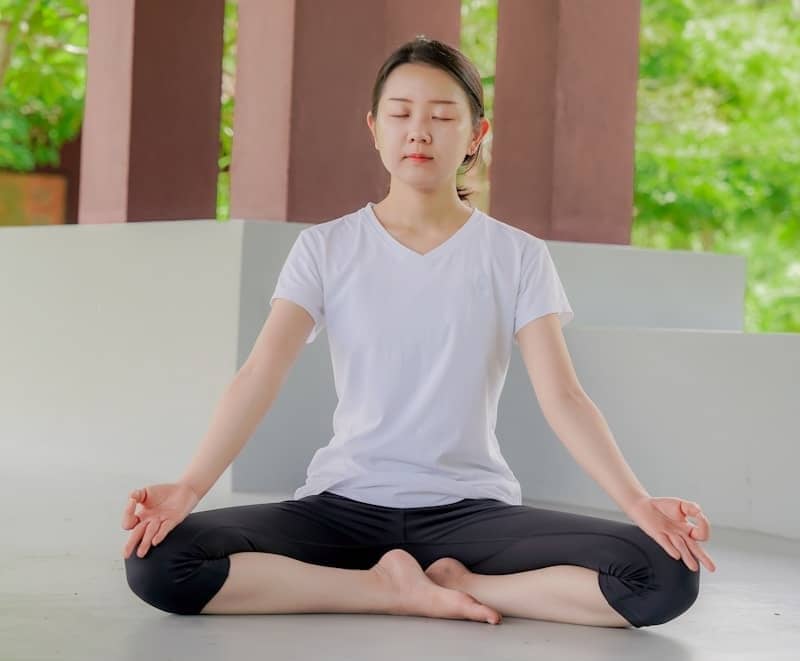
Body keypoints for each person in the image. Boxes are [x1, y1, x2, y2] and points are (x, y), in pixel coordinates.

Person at [122, 36, 716, 627]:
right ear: (375, 128)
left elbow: (564, 397)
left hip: (472, 515)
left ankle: (463, 582)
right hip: (342, 508)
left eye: (441, 116)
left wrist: (639, 504)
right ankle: (387, 589)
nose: (419, 132)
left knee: (664, 576)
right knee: (160, 562)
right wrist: (189, 488)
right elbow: (259, 374)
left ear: (477, 135)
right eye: (402, 114)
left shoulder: (517, 256)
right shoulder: (326, 248)